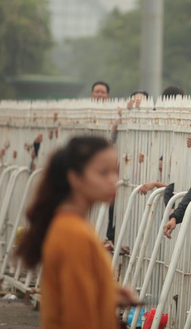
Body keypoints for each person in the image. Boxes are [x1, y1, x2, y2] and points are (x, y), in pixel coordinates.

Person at [16, 136, 138, 329]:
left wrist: (108, 293)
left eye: (115, 171)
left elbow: (74, 294)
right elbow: (78, 319)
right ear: (74, 177)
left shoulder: (71, 225)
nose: (114, 180)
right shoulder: (73, 233)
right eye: (103, 173)